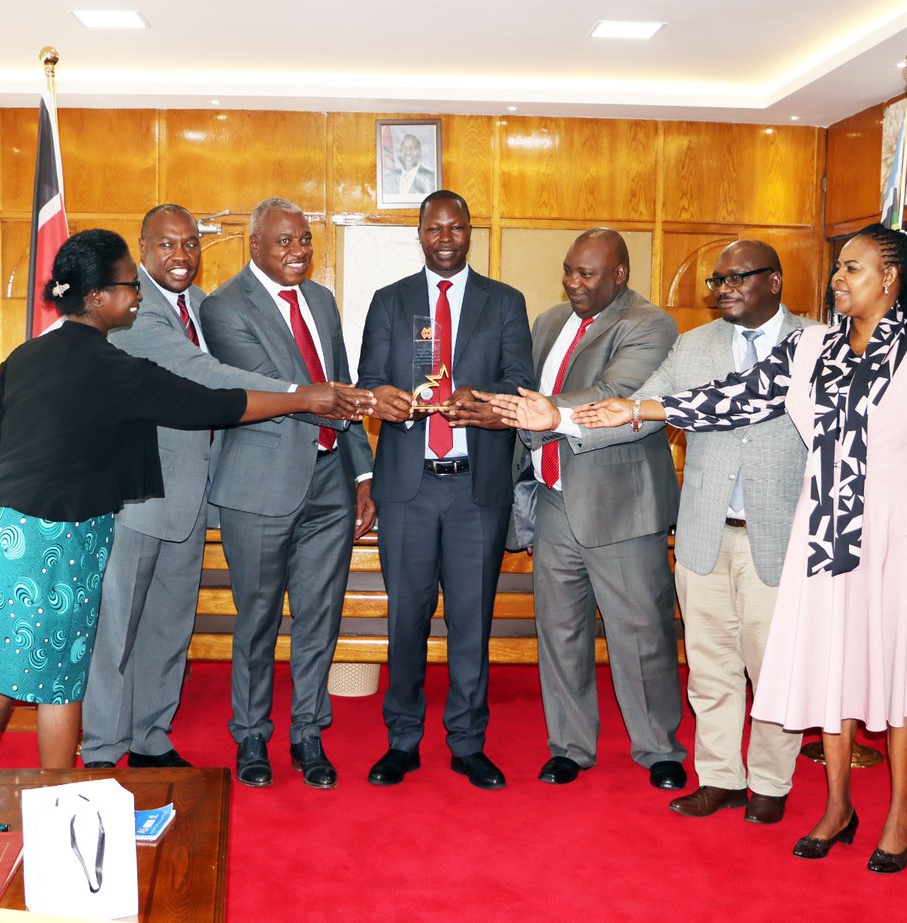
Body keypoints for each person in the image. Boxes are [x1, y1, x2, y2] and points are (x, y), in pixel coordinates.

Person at [569, 223, 907, 873]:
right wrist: (639, 411)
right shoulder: (813, 349)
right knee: (832, 668)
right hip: (826, 531)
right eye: (837, 268)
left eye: (852, 268)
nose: (838, 279)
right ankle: (837, 807)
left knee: (900, 672)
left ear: (890, 278)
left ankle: (900, 814)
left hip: (906, 534)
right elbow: (731, 400)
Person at [0, 229, 373, 770]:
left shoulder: (25, 355)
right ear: (97, 298)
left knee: (6, 671)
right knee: (62, 673)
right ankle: (61, 792)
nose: (138, 295)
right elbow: (210, 400)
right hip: (54, 532)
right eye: (129, 287)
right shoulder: (118, 367)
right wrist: (307, 394)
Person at [486, 239, 812, 816]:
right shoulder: (694, 343)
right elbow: (643, 403)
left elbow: (627, 398)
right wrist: (550, 419)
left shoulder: (814, 343)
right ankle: (714, 776)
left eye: (738, 278)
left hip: (768, 528)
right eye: (718, 281)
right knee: (706, 664)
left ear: (776, 280)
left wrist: (561, 414)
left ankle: (763, 781)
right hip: (697, 523)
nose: (725, 289)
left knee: (765, 663)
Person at [81, 205, 336, 770]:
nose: (181, 256)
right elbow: (206, 375)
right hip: (139, 492)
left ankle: (150, 737)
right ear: (142, 247)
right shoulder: (133, 312)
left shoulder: (201, 305)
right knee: (117, 632)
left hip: (194, 493)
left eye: (191, 245)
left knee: (171, 626)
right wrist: (303, 395)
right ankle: (101, 749)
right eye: (168, 245)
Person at [484, 228, 687, 790]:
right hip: (553, 500)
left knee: (640, 634)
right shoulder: (549, 321)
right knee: (560, 629)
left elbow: (612, 392)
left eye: (587, 274)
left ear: (619, 274)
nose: (573, 283)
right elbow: (523, 396)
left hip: (621, 507)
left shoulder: (650, 324)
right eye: (569, 271)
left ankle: (658, 748)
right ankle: (570, 745)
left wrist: (548, 412)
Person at [357, 189, 534, 789]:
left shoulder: (504, 302)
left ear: (469, 232)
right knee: (405, 620)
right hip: (408, 488)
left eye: (457, 228)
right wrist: (390, 402)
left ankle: (466, 741)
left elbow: (520, 383)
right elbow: (369, 382)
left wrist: (480, 403)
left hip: (475, 490)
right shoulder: (390, 302)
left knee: (470, 621)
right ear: (421, 234)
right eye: (435, 229)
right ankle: (402, 740)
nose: (446, 238)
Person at [199, 198, 376, 790]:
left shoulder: (321, 301)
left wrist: (361, 474)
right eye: (283, 242)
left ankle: (308, 733)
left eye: (303, 239)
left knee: (319, 615)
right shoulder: (225, 308)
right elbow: (271, 389)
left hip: (330, 481)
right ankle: (251, 732)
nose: (297, 251)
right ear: (254, 246)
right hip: (259, 485)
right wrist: (330, 396)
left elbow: (342, 389)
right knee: (257, 617)